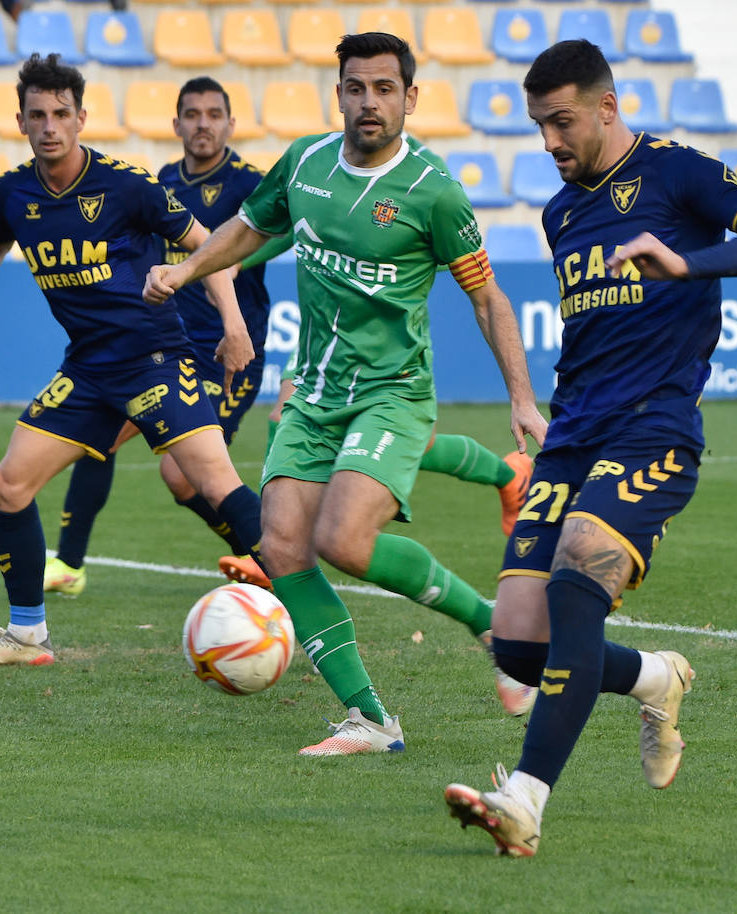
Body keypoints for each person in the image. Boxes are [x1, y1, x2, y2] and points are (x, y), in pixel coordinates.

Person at [442, 40, 737, 856]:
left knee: (579, 578)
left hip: (654, 428)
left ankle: (526, 800)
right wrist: (533, 406)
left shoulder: (679, 174)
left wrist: (688, 262)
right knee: (519, 644)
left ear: (607, 108)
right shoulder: (560, 212)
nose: (548, 143)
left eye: (562, 123)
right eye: (539, 126)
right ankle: (654, 676)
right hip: (573, 434)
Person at [145, 33, 546, 755]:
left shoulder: (434, 191)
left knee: (344, 541)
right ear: (339, 95)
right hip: (314, 392)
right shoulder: (306, 163)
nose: (369, 102)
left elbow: (488, 299)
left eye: (384, 89)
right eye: (356, 88)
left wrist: (521, 398)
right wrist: (185, 270)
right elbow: (247, 229)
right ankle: (370, 719)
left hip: (391, 393)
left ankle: (491, 622)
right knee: (284, 548)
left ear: (410, 98)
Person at [0, 54, 264, 667]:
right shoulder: (13, 191)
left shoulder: (128, 185)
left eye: (61, 114)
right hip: (88, 368)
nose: (49, 126)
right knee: (8, 486)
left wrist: (234, 328)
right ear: (20, 122)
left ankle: (306, 605)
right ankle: (26, 636)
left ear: (82, 118)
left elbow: (212, 250)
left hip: (156, 358)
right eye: (37, 115)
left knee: (211, 482)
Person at [43, 75, 273, 598]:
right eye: (192, 115)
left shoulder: (248, 183)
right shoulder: (164, 180)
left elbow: (284, 232)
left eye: (214, 115)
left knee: (182, 475)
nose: (203, 124)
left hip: (227, 351)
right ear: (177, 124)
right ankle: (70, 565)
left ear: (230, 124)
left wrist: (235, 258)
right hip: (165, 346)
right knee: (101, 441)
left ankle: (266, 550)